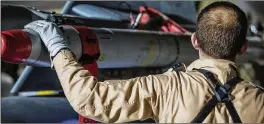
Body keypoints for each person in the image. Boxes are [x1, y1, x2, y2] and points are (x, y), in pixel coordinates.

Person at [24, 1, 264, 123]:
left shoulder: (167, 88)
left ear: (194, 41)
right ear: (243, 48)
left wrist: (57, 47)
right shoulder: (259, 102)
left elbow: (89, 99)